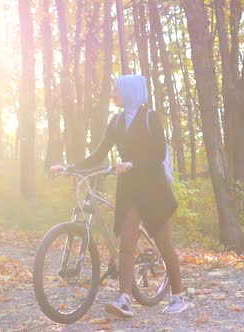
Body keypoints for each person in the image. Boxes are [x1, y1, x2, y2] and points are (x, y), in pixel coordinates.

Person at [51, 75, 187, 317]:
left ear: (130, 91)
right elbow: (99, 154)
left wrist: (133, 163)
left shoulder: (150, 118)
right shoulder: (116, 122)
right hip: (129, 190)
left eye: (117, 89)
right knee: (126, 243)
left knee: (164, 244)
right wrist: (70, 167)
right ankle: (124, 298)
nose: (113, 93)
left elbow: (157, 154)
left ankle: (178, 297)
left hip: (153, 189)